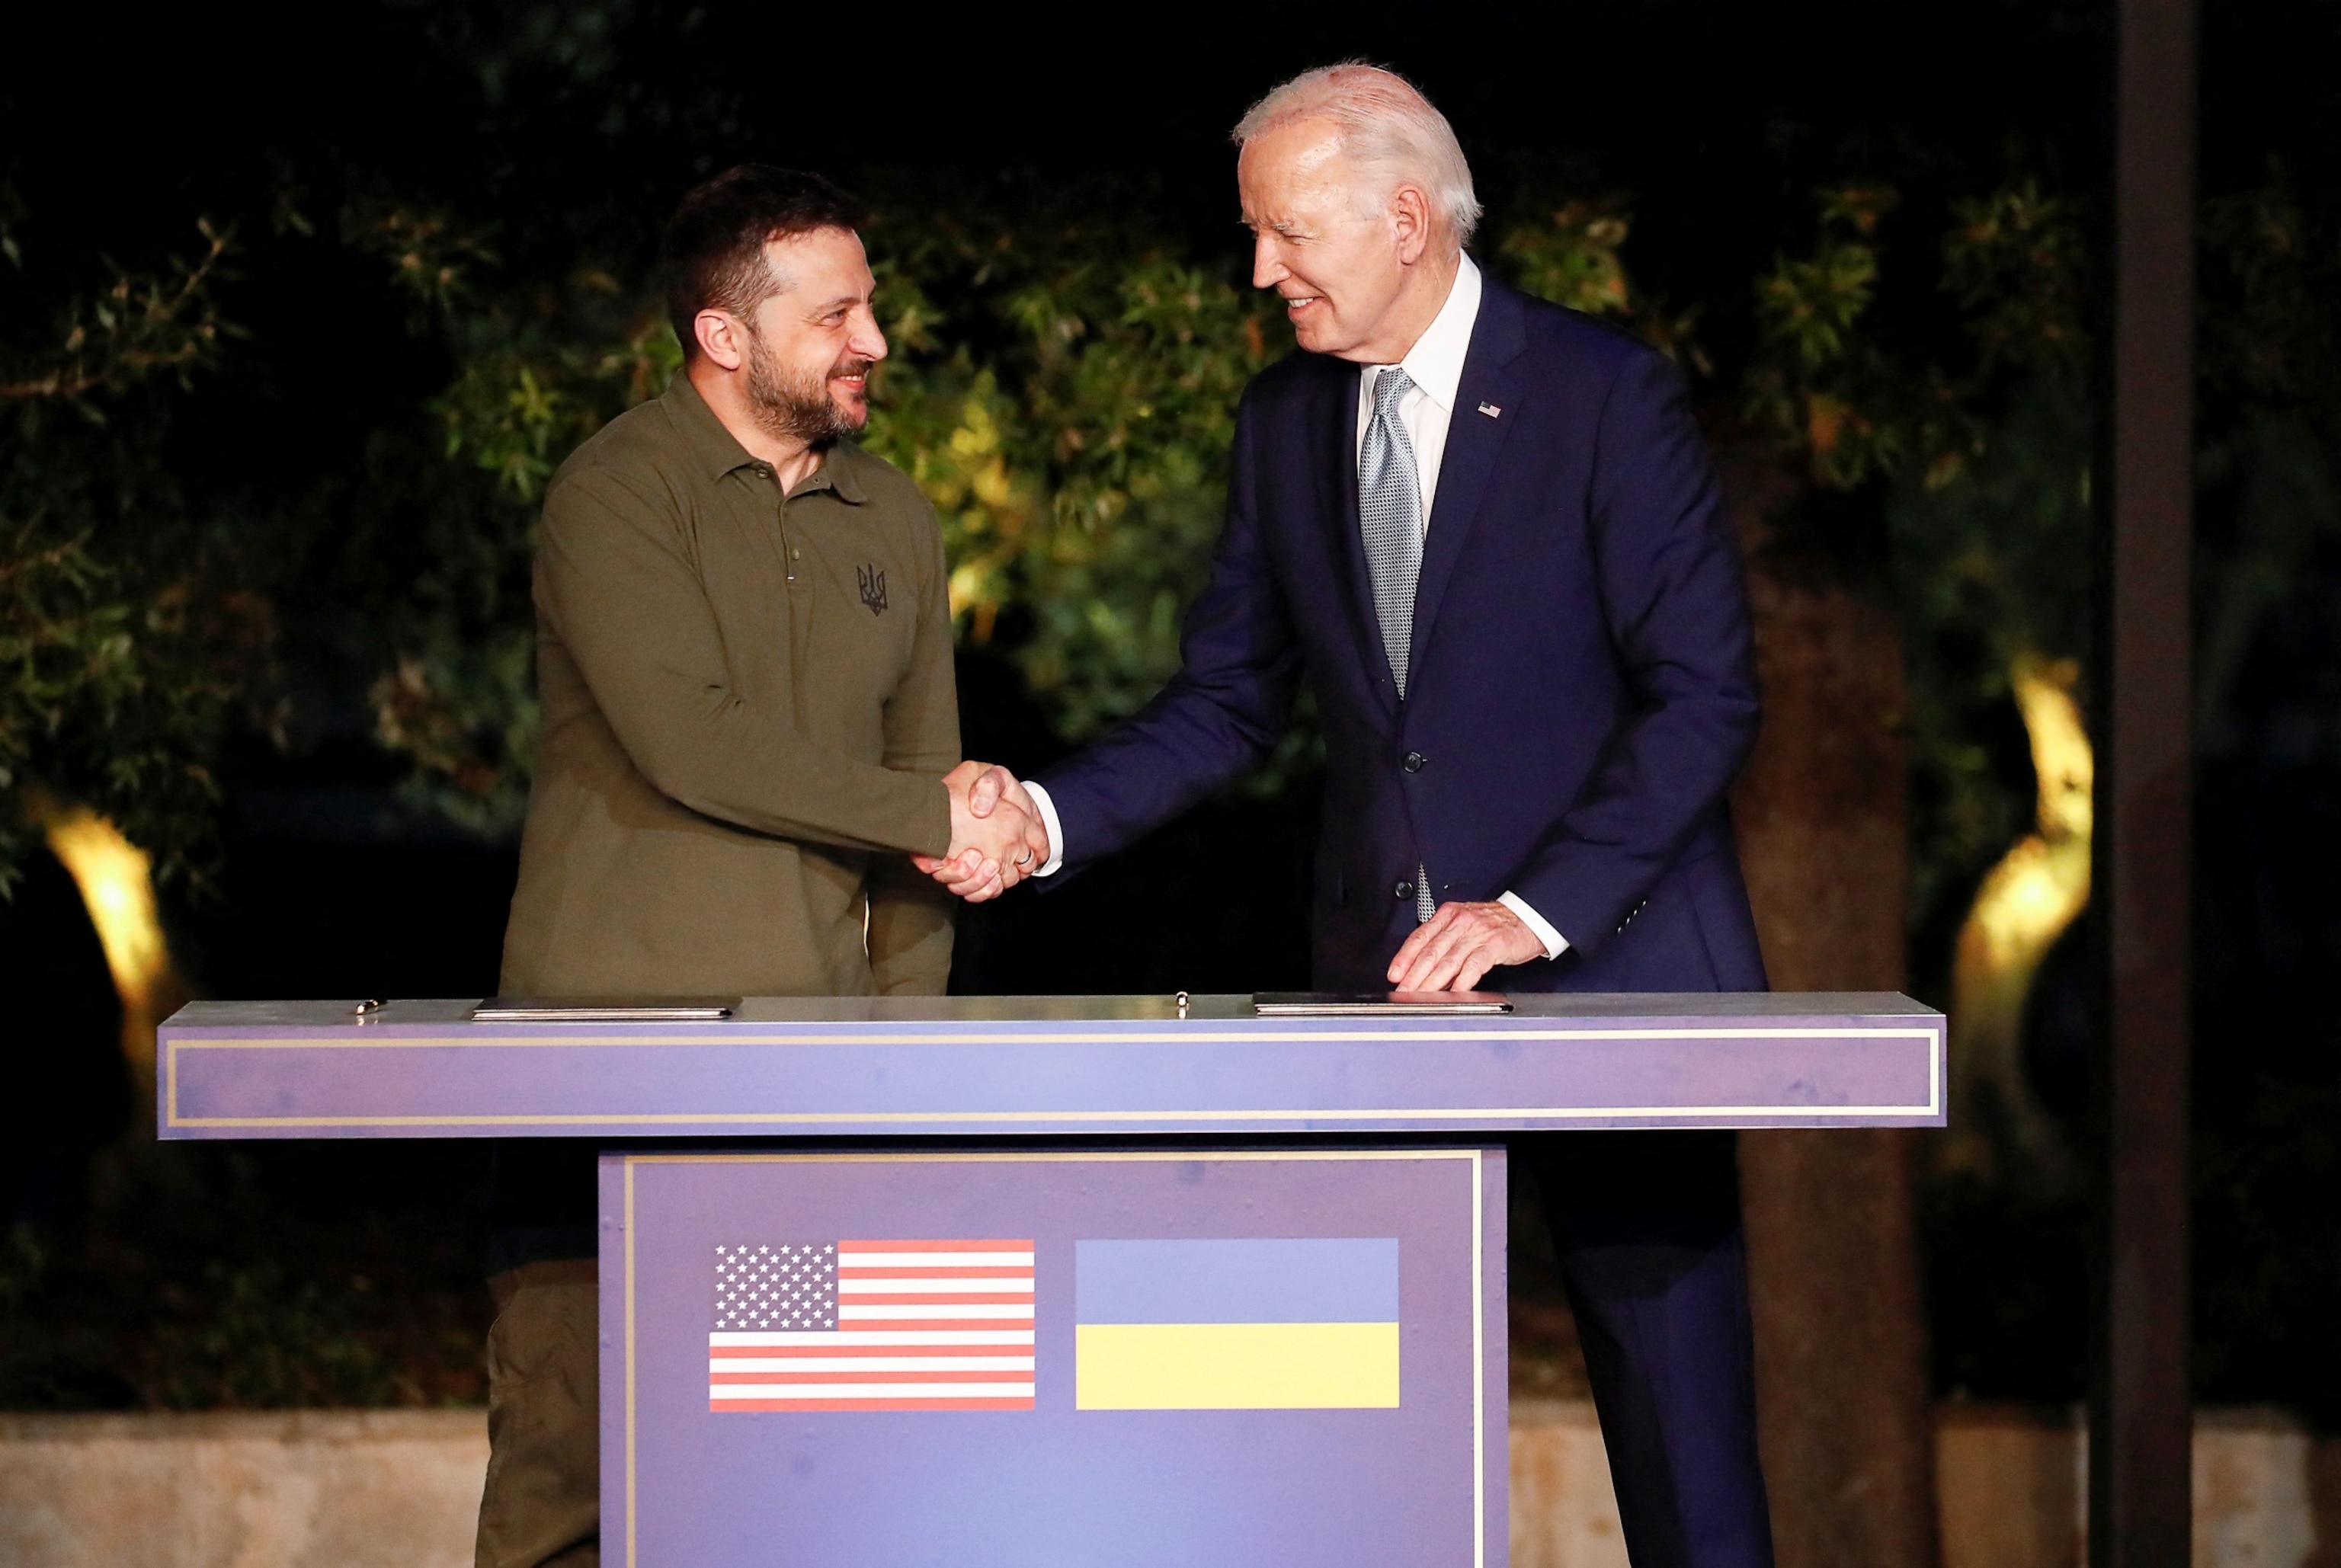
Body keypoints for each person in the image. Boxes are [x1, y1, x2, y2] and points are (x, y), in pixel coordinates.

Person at [931, 66, 1775, 1568]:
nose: (1262, 273)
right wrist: (1042, 819)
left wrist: (1531, 911)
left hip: (1621, 978)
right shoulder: (1283, 425)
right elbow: (1227, 699)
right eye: (1253, 237)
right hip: (1382, 1004)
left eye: (1285, 233)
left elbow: (1703, 694)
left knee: (1686, 1461)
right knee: (1348, 1458)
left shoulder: (1606, 396)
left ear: (1403, 214)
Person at [476, 165, 1048, 1568]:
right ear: (725, 336)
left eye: (873, 306)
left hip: (817, 1084)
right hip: (599, 1063)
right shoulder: (616, 489)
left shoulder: (898, 519)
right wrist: (934, 808)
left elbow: (925, 817)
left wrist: (909, 1068)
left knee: (803, 1469)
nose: (875, 340)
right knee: (580, 1466)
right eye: (837, 313)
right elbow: (694, 743)